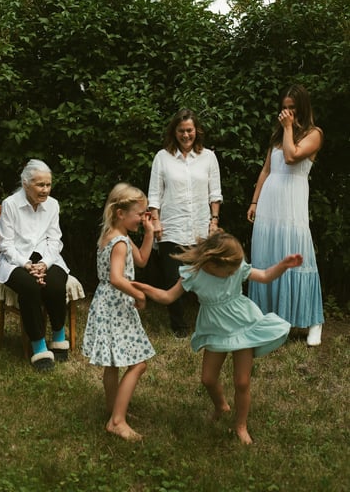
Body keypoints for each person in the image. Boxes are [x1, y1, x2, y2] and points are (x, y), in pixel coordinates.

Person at [132, 230, 302, 444]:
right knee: (208, 379)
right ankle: (221, 405)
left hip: (243, 327)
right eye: (229, 270)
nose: (233, 273)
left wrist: (283, 265)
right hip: (214, 330)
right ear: (212, 264)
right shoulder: (193, 274)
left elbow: (266, 276)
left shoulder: (235, 268)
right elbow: (167, 297)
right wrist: (142, 287)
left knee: (242, 382)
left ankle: (240, 425)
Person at [247, 84, 324, 346]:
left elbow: (291, 158)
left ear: (301, 108)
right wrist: (255, 201)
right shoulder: (278, 136)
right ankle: (269, 319)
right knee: (268, 258)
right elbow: (267, 170)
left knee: (297, 258)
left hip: (292, 206)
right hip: (270, 204)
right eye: (284, 107)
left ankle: (314, 321)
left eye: (292, 107)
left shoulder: (314, 134)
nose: (287, 112)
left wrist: (289, 127)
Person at [82, 182, 155, 442]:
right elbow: (116, 277)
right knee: (139, 363)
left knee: (113, 363)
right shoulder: (120, 242)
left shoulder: (113, 235)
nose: (143, 218)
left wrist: (149, 233)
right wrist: (139, 294)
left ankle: (114, 410)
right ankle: (117, 421)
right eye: (140, 214)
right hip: (116, 305)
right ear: (120, 213)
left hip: (106, 304)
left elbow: (143, 261)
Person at [148, 108, 223, 338]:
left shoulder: (208, 157)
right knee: (173, 278)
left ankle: (207, 323)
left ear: (196, 131)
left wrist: (214, 221)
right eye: (181, 131)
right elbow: (154, 194)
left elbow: (215, 193)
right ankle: (179, 326)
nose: (186, 135)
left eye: (189, 130)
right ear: (174, 132)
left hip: (201, 227)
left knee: (205, 277)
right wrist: (156, 221)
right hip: (172, 226)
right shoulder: (162, 157)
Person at [0, 159, 70, 371]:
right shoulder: (10, 204)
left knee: (56, 281)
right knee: (29, 286)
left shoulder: (53, 204)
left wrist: (44, 264)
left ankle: (58, 337)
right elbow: (6, 245)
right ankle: (39, 347)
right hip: (16, 260)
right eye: (40, 185)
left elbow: (55, 241)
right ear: (26, 184)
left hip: (46, 257)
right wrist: (26, 265)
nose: (45, 190)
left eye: (48, 184)